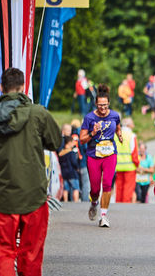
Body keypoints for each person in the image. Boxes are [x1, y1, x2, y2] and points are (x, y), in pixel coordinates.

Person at [0, 68, 62, 276]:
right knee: (31, 253)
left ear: (2, 87)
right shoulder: (38, 113)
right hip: (34, 196)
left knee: (3, 249)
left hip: (5, 195)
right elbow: (56, 141)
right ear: (23, 85)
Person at [80, 84, 123, 228]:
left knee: (107, 184)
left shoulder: (115, 115)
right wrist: (92, 133)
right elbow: (82, 139)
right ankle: (94, 203)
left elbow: (117, 126)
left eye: (105, 105)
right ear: (96, 104)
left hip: (110, 153)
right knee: (94, 188)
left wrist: (120, 134)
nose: (103, 108)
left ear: (108, 103)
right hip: (94, 154)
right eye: (100, 105)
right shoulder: (89, 117)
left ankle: (103, 216)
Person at [114, 117, 139, 203]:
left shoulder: (116, 135)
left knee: (119, 188)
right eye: (132, 123)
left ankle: (118, 205)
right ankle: (125, 206)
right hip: (130, 166)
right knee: (128, 189)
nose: (134, 125)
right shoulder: (131, 136)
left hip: (118, 166)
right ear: (128, 124)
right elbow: (134, 153)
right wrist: (137, 165)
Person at [57, 124, 81, 202]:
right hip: (72, 172)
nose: (69, 132)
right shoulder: (69, 151)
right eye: (68, 130)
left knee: (66, 188)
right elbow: (73, 162)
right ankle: (76, 202)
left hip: (64, 171)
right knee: (76, 188)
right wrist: (77, 167)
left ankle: (66, 201)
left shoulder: (62, 152)